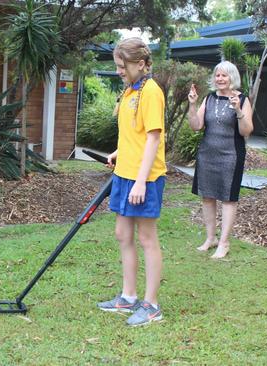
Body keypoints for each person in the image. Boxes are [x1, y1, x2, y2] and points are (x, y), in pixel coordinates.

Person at [97, 37, 167, 327]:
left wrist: (140, 182)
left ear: (140, 64)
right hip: (125, 172)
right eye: (116, 66)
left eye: (121, 66)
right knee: (122, 235)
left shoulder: (151, 91)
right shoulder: (130, 90)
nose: (118, 71)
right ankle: (128, 297)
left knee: (146, 238)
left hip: (145, 178)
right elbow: (134, 135)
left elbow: (153, 138)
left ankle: (151, 305)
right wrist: (118, 152)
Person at [187, 61, 254, 259]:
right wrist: (192, 105)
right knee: (207, 196)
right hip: (207, 154)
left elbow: (247, 131)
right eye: (217, 75)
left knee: (227, 198)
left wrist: (238, 111)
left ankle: (224, 243)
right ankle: (210, 238)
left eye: (224, 75)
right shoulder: (209, 98)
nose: (220, 79)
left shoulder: (242, 99)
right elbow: (196, 126)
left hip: (231, 155)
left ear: (232, 77)